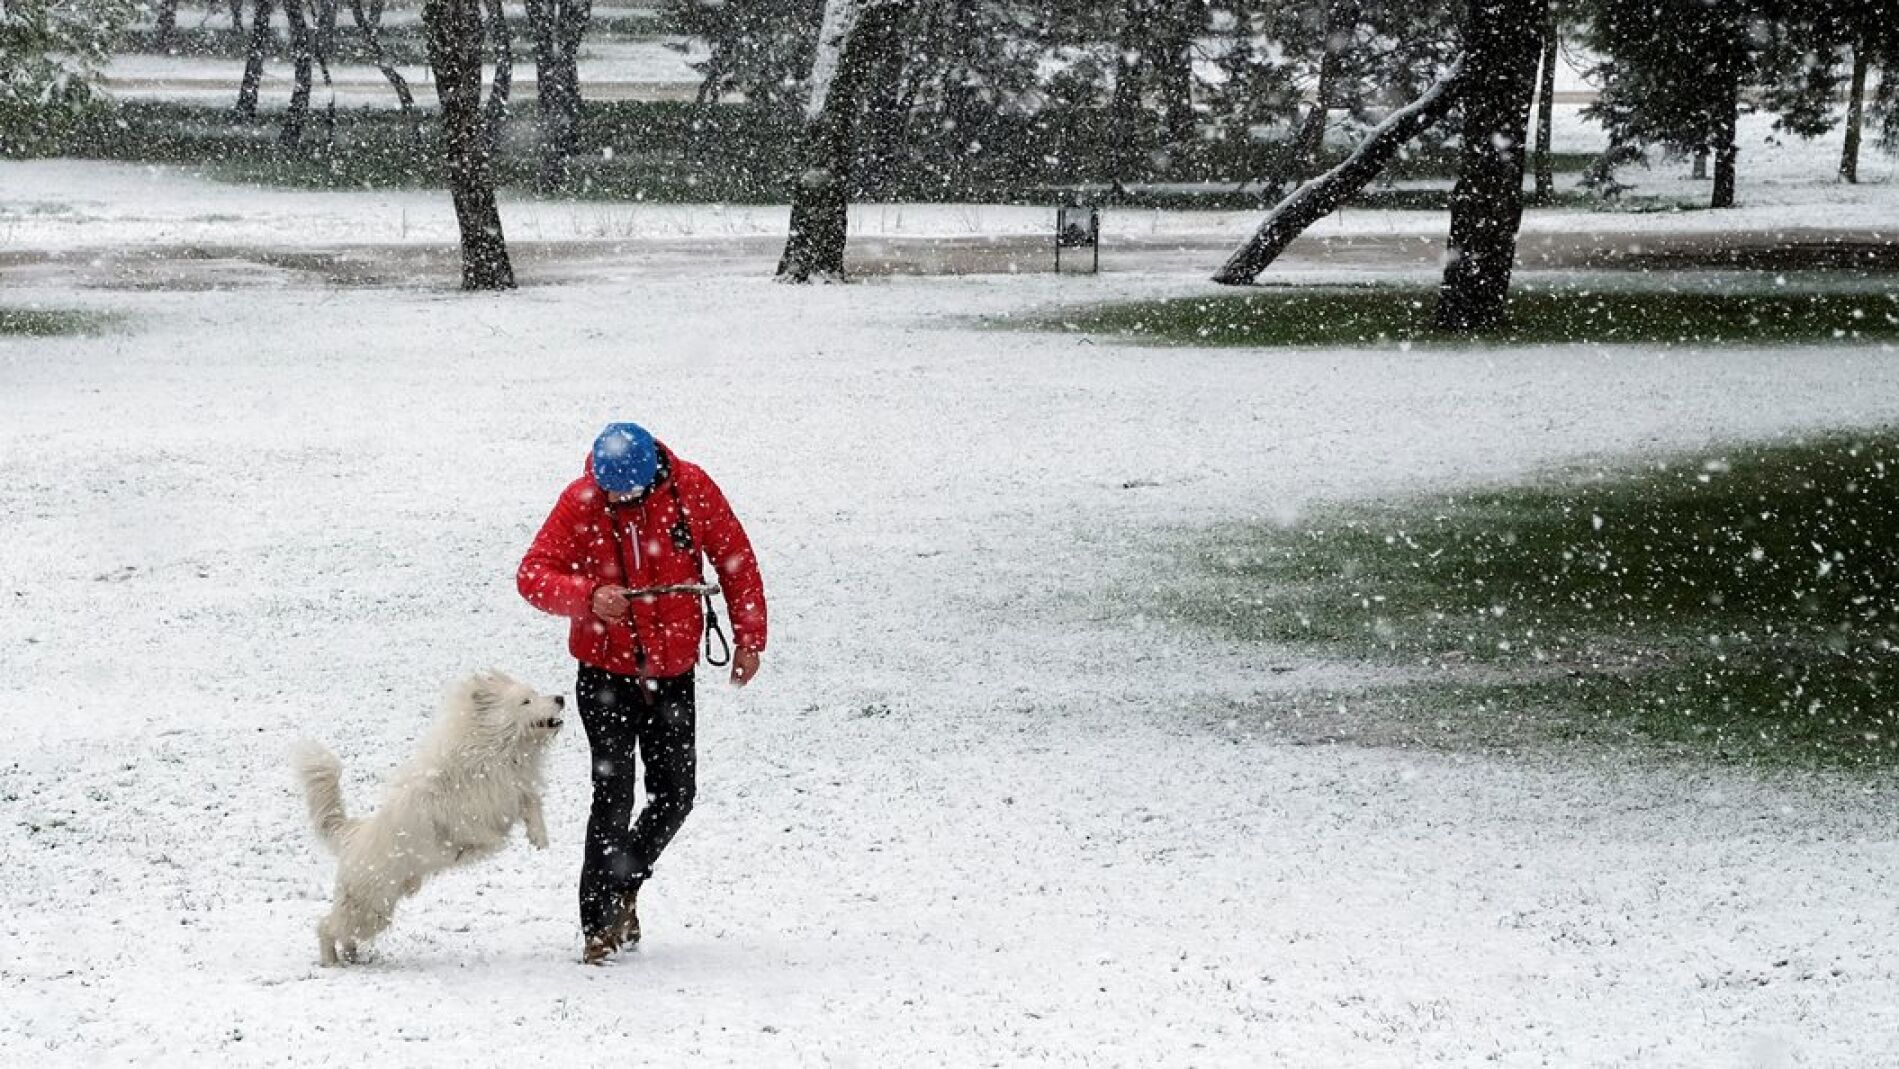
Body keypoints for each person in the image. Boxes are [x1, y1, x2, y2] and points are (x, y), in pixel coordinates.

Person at [517, 422, 767, 964]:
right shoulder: (581, 501)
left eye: (627, 493)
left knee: (677, 794)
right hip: (604, 674)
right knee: (612, 797)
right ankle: (597, 923)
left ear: (653, 473)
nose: (618, 501)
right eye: (611, 493)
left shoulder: (692, 488)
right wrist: (587, 596)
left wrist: (749, 638)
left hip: (673, 672)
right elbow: (532, 575)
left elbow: (735, 560)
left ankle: (622, 885)